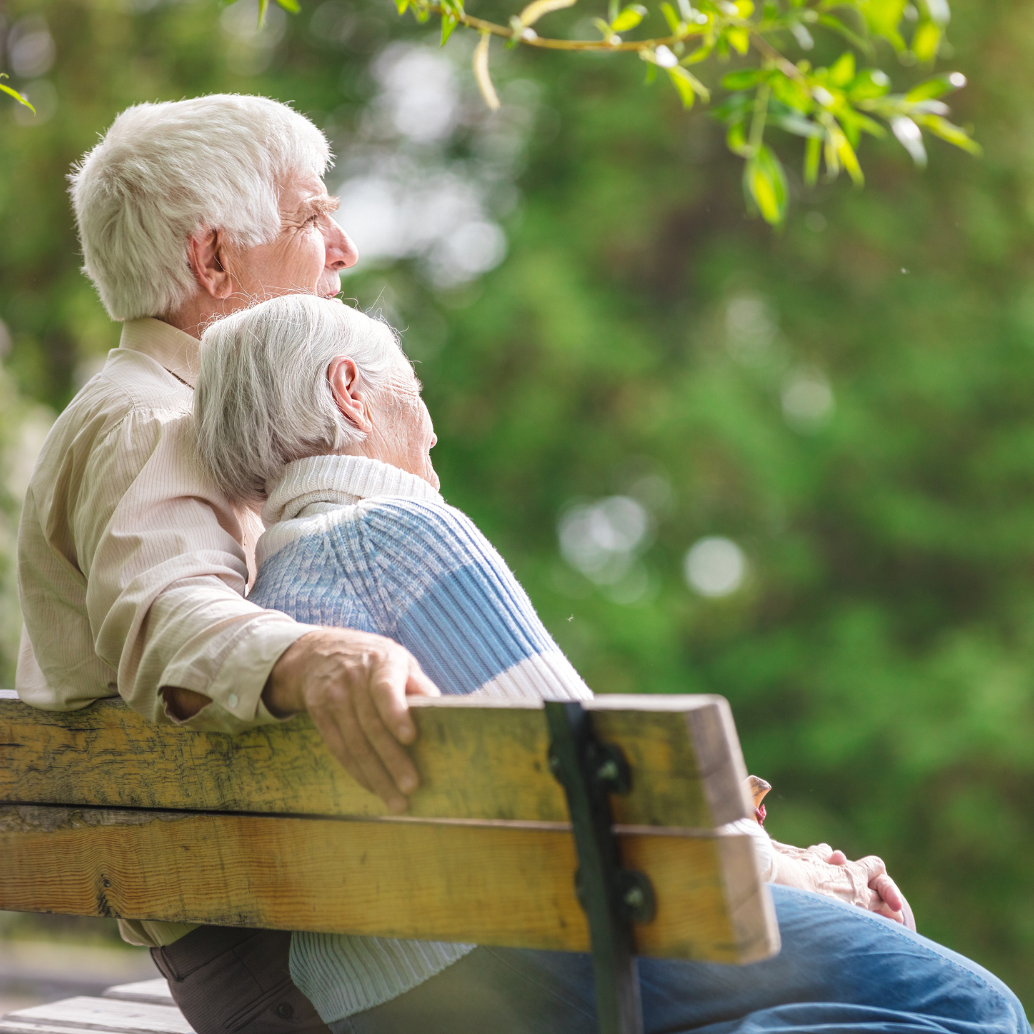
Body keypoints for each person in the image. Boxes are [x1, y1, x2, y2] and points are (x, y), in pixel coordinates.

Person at [173, 292, 1030, 1034]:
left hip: (371, 998)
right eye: (417, 390)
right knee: (976, 1009)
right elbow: (609, 794)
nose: (431, 425)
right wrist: (817, 877)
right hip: (514, 961)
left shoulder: (268, 593)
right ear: (351, 394)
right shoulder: (400, 533)